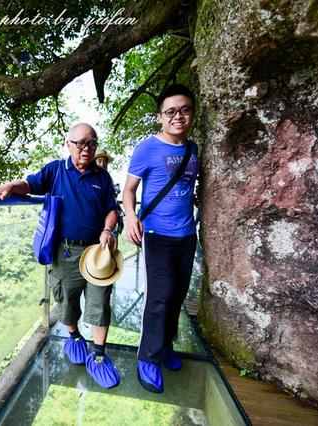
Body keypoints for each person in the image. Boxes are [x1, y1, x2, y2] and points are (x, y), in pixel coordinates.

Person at [0, 123, 121, 389]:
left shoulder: (102, 177)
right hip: (66, 251)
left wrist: (108, 229)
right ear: (68, 144)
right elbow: (30, 184)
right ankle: (74, 337)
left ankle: (98, 355)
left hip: (97, 252)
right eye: (80, 143)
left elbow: (111, 209)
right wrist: (11, 185)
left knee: (100, 301)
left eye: (92, 143)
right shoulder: (56, 170)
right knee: (67, 300)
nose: (86, 148)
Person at [122, 84, 199, 394]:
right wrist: (130, 217)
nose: (177, 116)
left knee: (178, 294)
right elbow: (128, 190)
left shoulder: (193, 150)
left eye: (184, 110)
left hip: (186, 235)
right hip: (156, 234)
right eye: (171, 111)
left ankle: (165, 347)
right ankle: (148, 358)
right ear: (160, 117)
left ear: (192, 113)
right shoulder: (147, 149)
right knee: (160, 295)